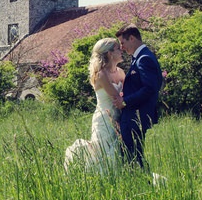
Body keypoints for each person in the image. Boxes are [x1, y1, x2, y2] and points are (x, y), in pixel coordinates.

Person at [64, 38, 125, 173]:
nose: (122, 51)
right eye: (118, 49)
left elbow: (125, 96)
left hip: (120, 117)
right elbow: (117, 98)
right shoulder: (102, 74)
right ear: (109, 53)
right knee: (104, 152)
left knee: (119, 152)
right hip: (105, 120)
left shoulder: (121, 72)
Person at [113, 25, 162, 170]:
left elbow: (150, 88)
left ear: (132, 38)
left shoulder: (144, 58)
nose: (122, 47)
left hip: (136, 117)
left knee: (133, 158)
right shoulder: (139, 58)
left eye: (122, 43)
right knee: (133, 157)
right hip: (134, 117)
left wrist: (125, 101)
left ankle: (142, 186)